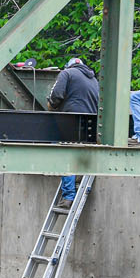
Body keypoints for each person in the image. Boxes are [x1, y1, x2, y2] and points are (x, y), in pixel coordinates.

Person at [48, 57, 99, 208]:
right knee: (77, 151)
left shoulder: (67, 73)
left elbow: (56, 95)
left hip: (71, 121)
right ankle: (78, 174)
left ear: (69, 66)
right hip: (91, 126)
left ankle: (69, 196)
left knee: (62, 152)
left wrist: (51, 104)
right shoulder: (94, 80)